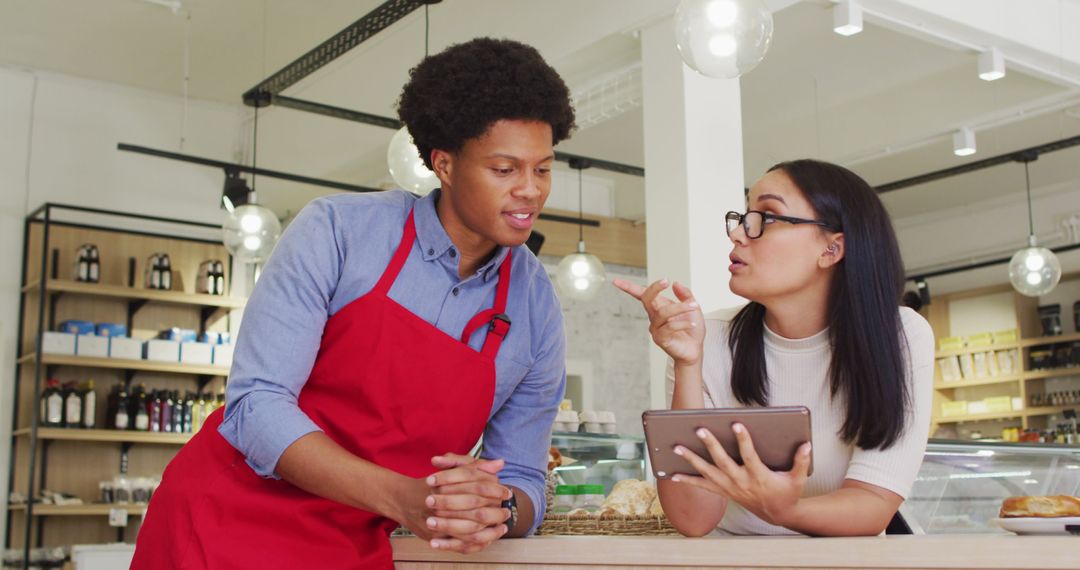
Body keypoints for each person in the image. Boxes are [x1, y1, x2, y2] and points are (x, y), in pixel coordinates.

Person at [132, 37, 574, 569]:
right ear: (445, 164)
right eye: (505, 170)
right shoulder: (339, 232)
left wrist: (495, 507)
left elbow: (523, 477)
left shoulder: (535, 306)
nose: (530, 190)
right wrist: (406, 498)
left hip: (355, 548)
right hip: (223, 525)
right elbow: (256, 407)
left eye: (543, 169)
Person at [615, 159, 934, 536]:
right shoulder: (708, 338)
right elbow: (693, 518)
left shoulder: (900, 334)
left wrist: (783, 511)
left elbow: (872, 505)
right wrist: (688, 364)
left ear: (831, 250)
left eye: (765, 217)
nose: (737, 233)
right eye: (744, 215)